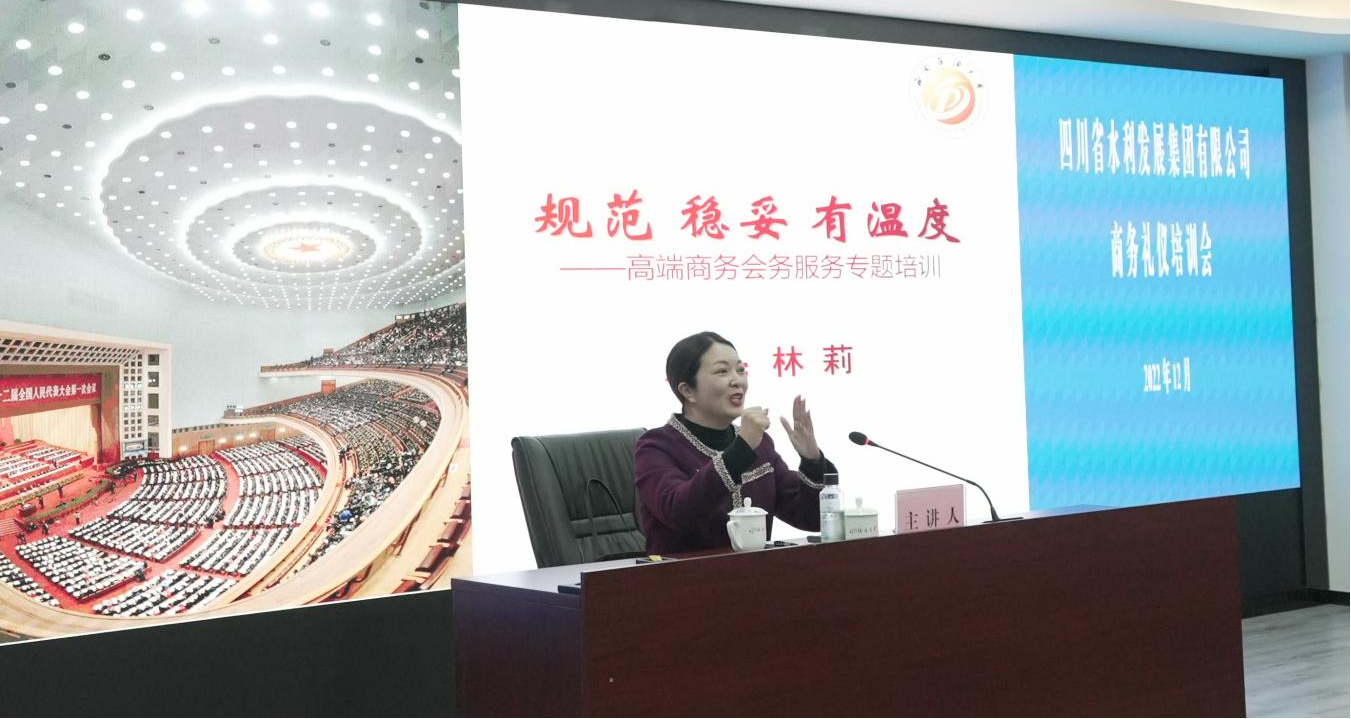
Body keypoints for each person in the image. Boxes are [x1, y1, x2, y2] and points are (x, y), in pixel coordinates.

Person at [634, 331, 837, 554]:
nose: (738, 381)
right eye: (722, 371)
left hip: (755, 572)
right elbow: (679, 512)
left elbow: (811, 518)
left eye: (740, 370)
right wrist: (741, 449)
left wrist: (812, 461)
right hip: (682, 574)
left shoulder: (759, 443)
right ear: (688, 391)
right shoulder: (656, 447)